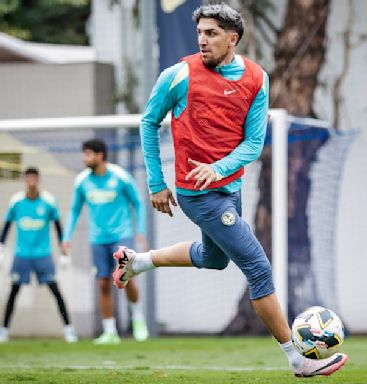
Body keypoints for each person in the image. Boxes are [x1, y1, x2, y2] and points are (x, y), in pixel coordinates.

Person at [112, 3, 348, 377]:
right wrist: (157, 183)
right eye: (200, 33)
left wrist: (219, 168)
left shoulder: (256, 78)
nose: (202, 41)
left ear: (232, 38)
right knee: (258, 268)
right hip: (196, 194)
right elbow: (148, 122)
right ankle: (297, 360)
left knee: (213, 257)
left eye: (212, 34)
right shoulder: (178, 75)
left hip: (228, 188)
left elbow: (254, 144)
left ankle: (138, 261)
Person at [62, 138, 149, 345]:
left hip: (122, 235)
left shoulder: (120, 176)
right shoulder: (82, 180)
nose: (85, 158)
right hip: (97, 239)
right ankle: (110, 331)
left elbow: (138, 203)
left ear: (100, 156)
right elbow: (74, 210)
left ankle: (138, 318)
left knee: (126, 277)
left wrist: (141, 231)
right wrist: (67, 238)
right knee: (103, 283)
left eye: (89, 154)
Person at [0, 167, 77, 343]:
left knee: (55, 290)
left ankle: (69, 330)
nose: (31, 182)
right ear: (24, 181)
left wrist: (64, 252)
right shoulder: (16, 201)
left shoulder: (49, 201)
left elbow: (58, 227)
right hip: (22, 255)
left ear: (38, 180)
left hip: (43, 255)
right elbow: (6, 226)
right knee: (13, 291)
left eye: (34, 178)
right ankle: (4, 331)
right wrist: (1, 246)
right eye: (28, 179)